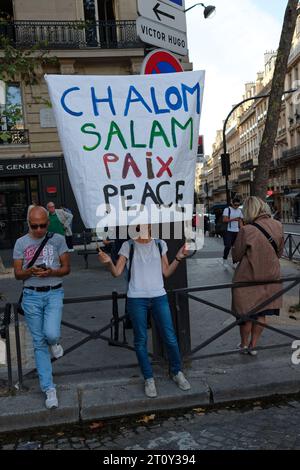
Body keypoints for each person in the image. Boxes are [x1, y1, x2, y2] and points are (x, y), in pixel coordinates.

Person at [98, 224, 191, 398]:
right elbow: (117, 272)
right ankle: (149, 378)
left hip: (159, 296)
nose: (141, 226)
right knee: (140, 340)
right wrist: (109, 262)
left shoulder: (159, 244)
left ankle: (177, 372)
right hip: (136, 298)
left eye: (145, 223)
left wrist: (178, 257)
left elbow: (167, 272)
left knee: (170, 337)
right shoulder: (128, 245)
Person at [13, 206, 70, 409]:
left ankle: (54, 342)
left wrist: (51, 272)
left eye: (43, 226)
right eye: (35, 226)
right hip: (31, 297)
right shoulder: (21, 242)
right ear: (29, 222)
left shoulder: (57, 239)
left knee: (51, 333)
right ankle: (49, 389)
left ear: (48, 222)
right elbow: (17, 274)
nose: (39, 230)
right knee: (38, 343)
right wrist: (30, 271)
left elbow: (66, 269)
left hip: (54, 291)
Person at [232, 196, 284, 356]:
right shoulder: (278, 225)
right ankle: (253, 346)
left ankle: (243, 344)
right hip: (271, 277)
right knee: (262, 313)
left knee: (246, 315)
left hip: (248, 279)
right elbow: (280, 252)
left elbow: (236, 255)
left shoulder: (247, 230)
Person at [222, 198, 243, 268]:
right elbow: (224, 220)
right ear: (232, 203)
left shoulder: (239, 211)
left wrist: (242, 229)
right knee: (228, 246)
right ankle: (224, 259)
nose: (236, 206)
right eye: (235, 205)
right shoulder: (227, 210)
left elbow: (240, 221)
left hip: (236, 231)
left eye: (238, 205)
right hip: (228, 231)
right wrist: (234, 219)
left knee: (235, 248)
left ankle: (235, 262)